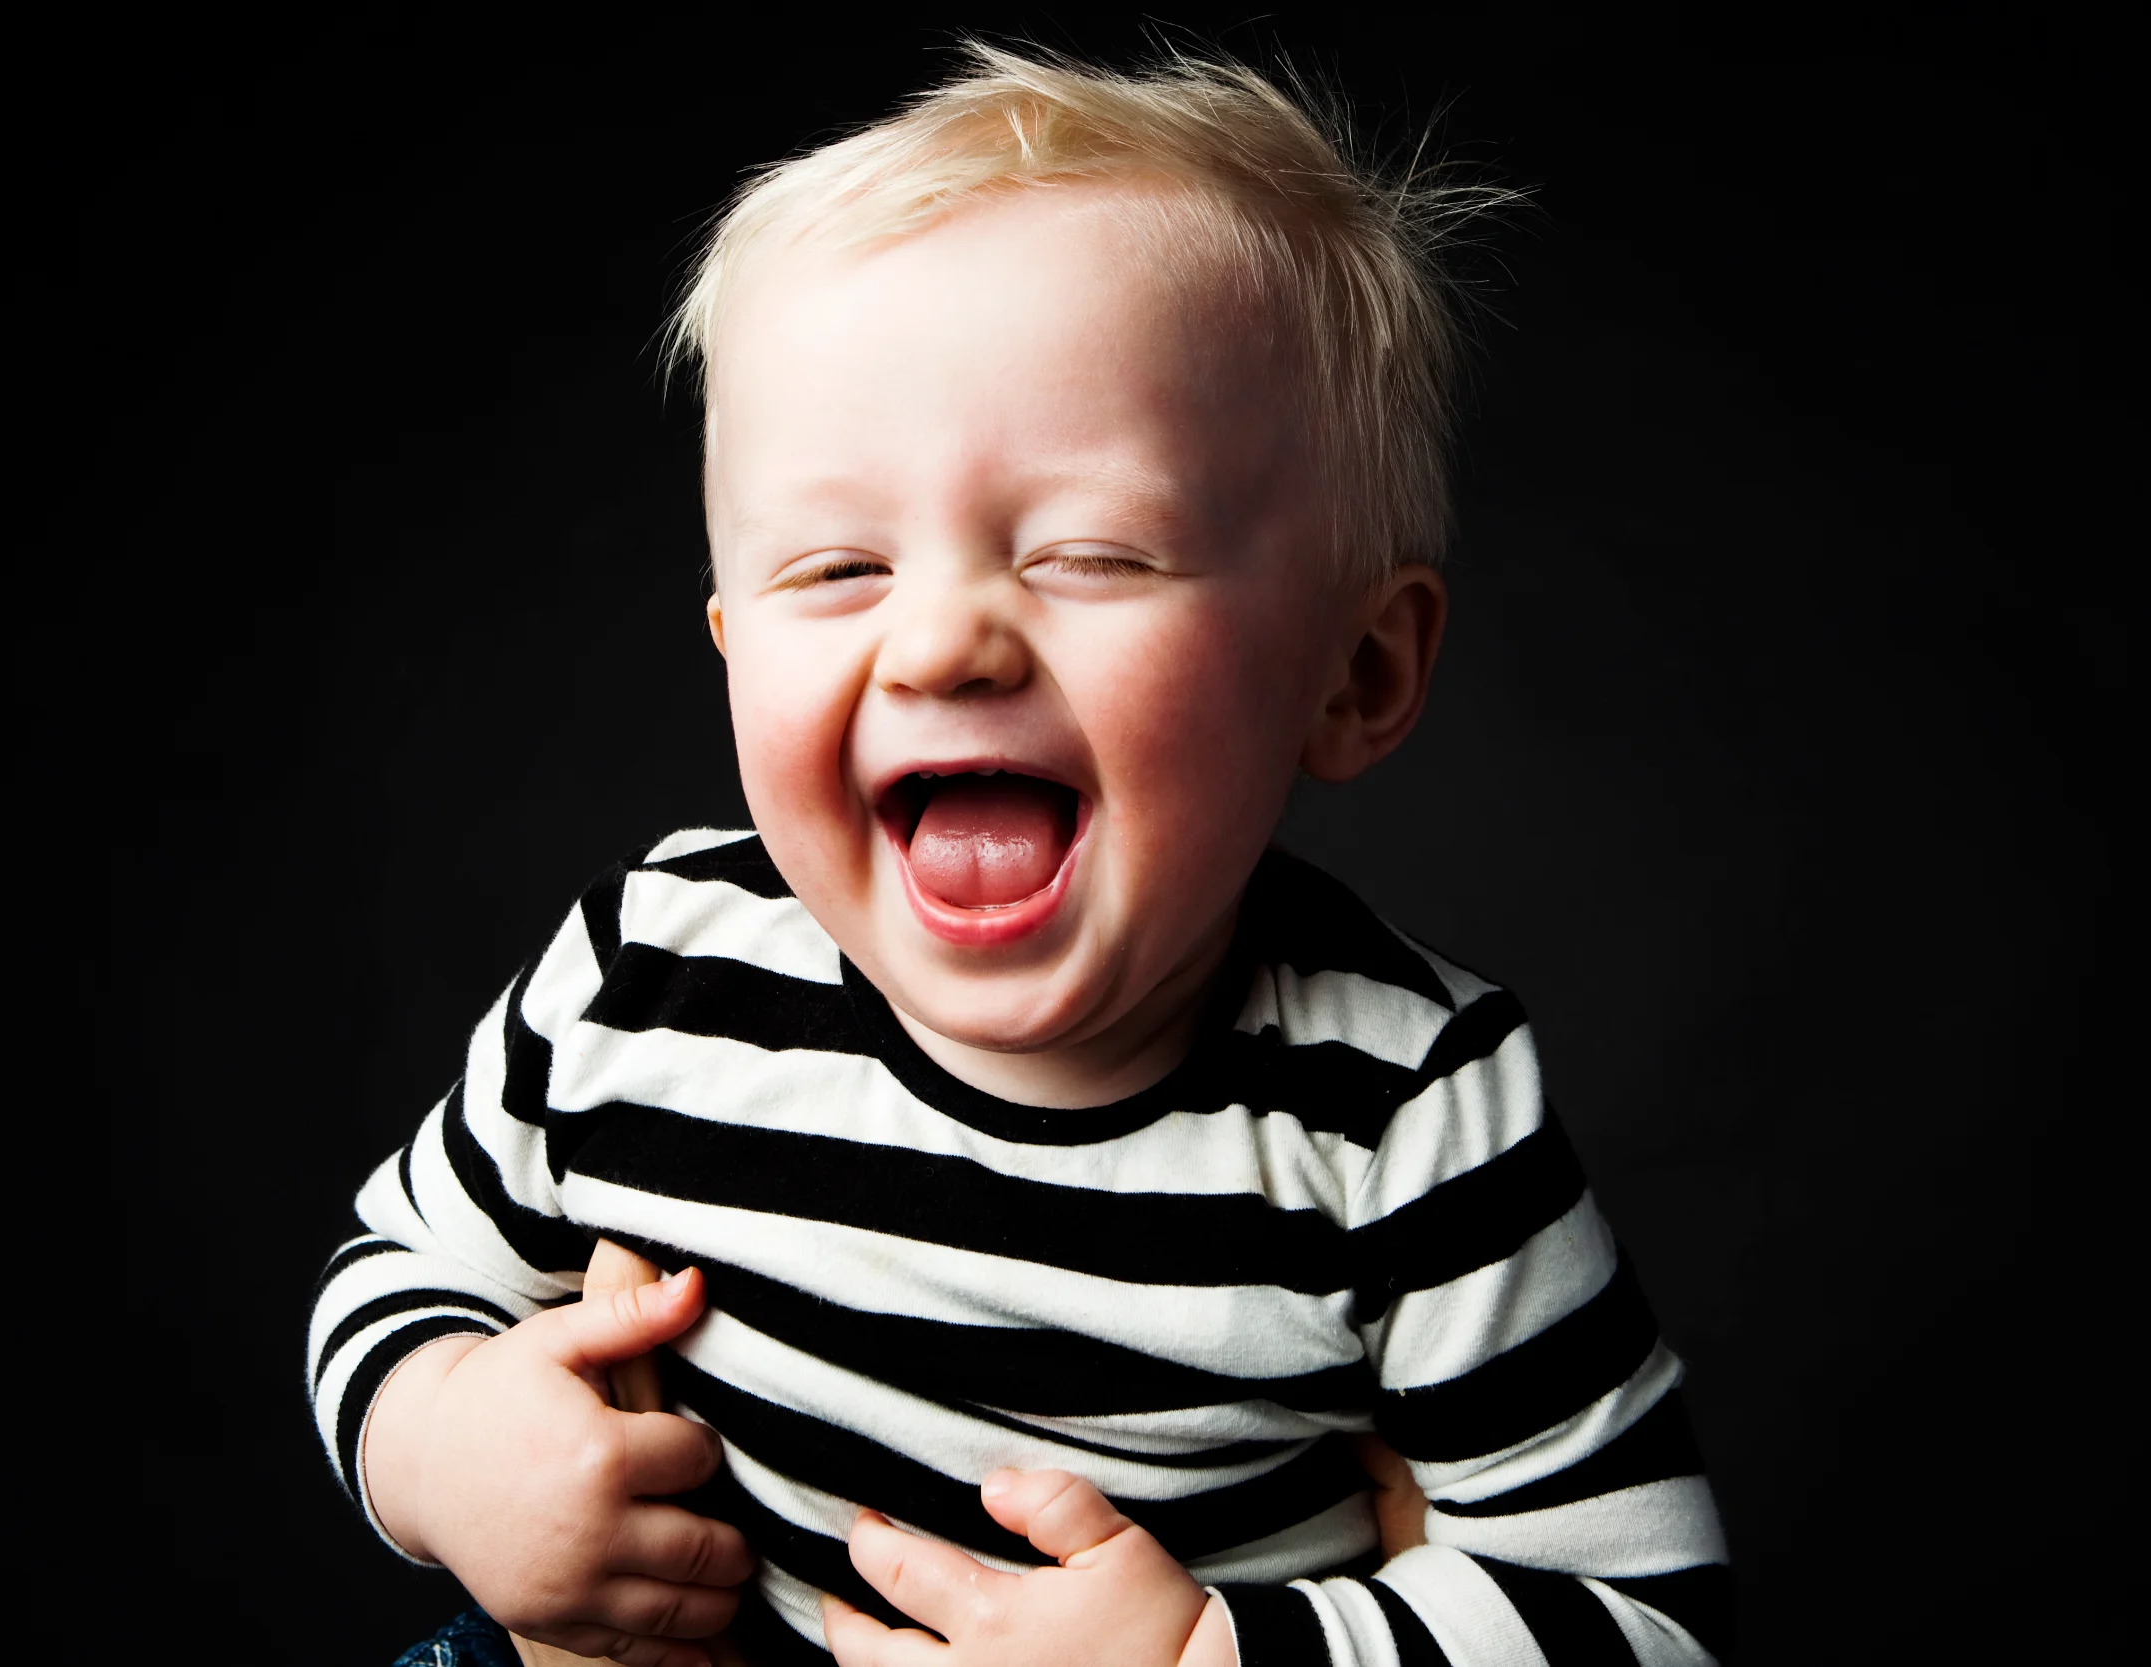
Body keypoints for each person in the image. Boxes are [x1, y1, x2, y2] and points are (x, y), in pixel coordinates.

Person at [311, 41, 1731, 1667]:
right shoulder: (650, 966)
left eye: (1089, 551)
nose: (942, 641)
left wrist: (1203, 1657)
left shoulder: (1401, 1111)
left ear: (1357, 674)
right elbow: (392, 1271)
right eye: (837, 567)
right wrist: (441, 1445)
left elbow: (1648, 1616)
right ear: (727, 644)